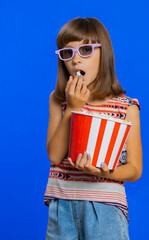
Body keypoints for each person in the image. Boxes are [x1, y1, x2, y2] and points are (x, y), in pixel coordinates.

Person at [44, 17, 142, 240]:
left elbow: (135, 169)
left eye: (86, 50)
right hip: (62, 205)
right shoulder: (58, 100)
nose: (76, 60)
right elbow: (55, 155)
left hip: (105, 207)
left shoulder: (127, 107)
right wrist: (73, 108)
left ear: (103, 53)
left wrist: (100, 172)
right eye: (67, 53)